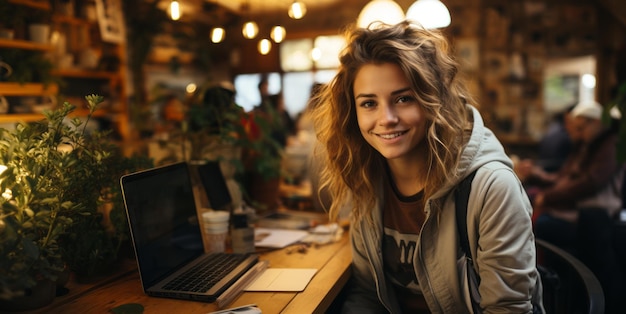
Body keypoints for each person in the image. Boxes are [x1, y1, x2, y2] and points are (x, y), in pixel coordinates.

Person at [311, 21, 542, 313]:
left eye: (403, 99)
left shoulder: (492, 188)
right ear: (352, 111)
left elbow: (509, 309)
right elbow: (368, 295)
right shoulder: (369, 179)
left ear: (433, 99)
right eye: (369, 103)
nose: (387, 118)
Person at [529, 101, 625, 313]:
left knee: (543, 223)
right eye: (575, 128)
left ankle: (552, 287)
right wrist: (541, 183)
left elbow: (591, 183)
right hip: (582, 209)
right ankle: (550, 286)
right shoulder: (588, 144)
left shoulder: (610, 143)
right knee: (537, 214)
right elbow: (568, 178)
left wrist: (549, 196)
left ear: (597, 123)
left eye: (581, 128)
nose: (577, 133)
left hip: (596, 213)